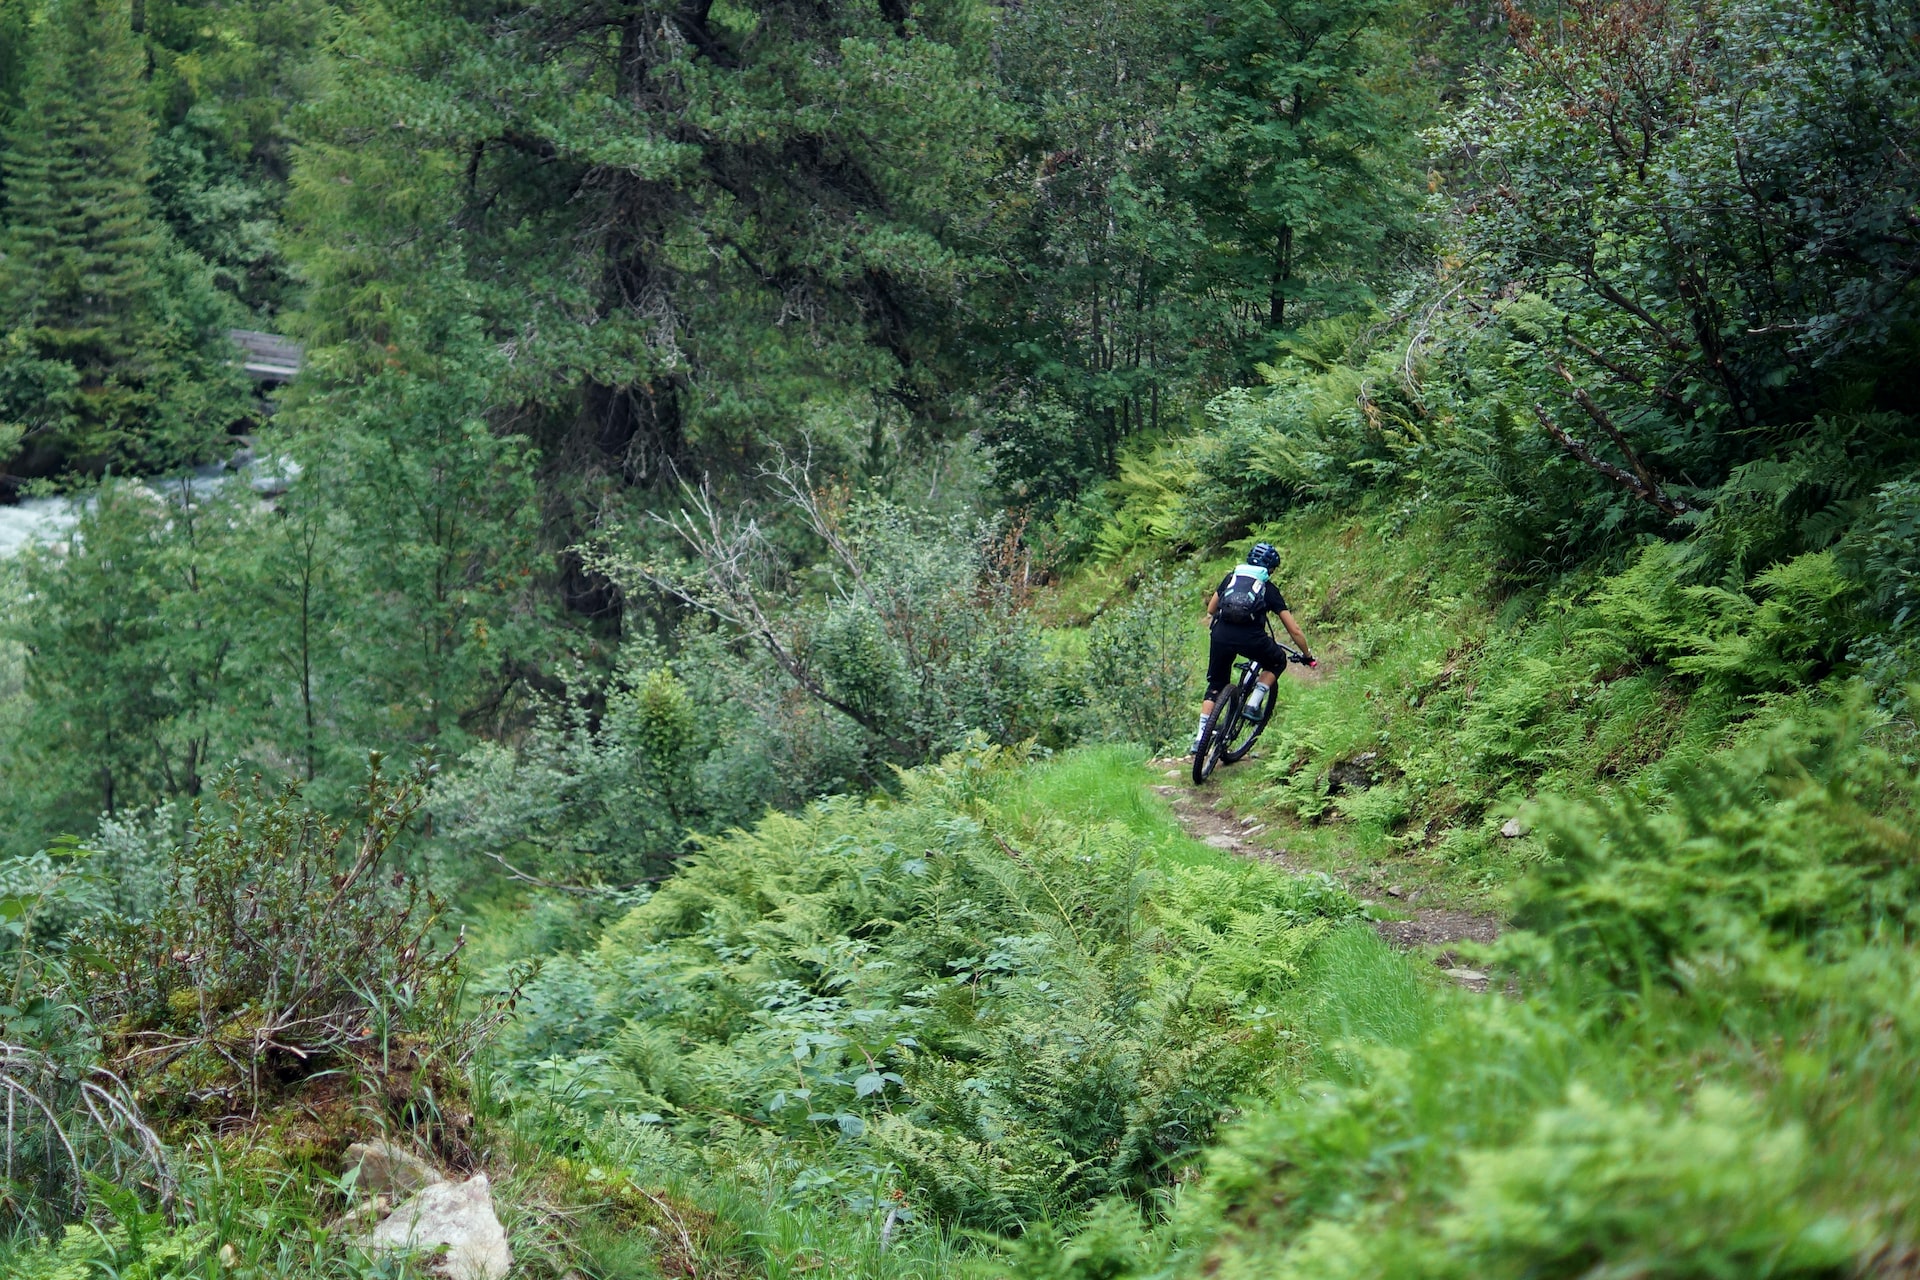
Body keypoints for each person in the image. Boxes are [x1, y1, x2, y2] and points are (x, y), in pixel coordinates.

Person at [1192, 542, 1316, 754]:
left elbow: (1211, 609)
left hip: (1220, 635)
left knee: (1215, 685)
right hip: (1251, 639)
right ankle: (1254, 702)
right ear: (1271, 569)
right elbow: (1294, 630)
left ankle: (1200, 739)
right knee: (1277, 660)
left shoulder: (1231, 578)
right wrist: (1307, 655)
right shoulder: (1268, 588)